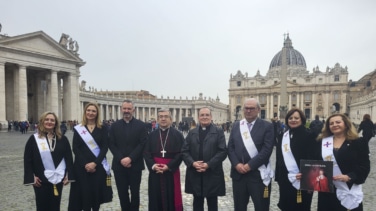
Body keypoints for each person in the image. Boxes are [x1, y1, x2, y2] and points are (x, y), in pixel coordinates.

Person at [228, 98, 274, 211]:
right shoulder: (236, 125)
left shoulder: (267, 126)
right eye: (246, 108)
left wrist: (250, 165)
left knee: (261, 207)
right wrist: (236, 164)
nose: (248, 111)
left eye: (251, 108)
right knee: (239, 207)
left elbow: (267, 150)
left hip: (257, 175)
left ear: (258, 110)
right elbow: (230, 148)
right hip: (238, 175)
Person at [316, 113, 370, 210]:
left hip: (348, 188)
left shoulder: (358, 142)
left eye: (338, 122)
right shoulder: (322, 142)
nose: (334, 125)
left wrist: (350, 176)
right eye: (331, 123)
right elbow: (316, 163)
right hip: (327, 191)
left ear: (346, 124)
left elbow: (364, 166)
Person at [23, 111, 74, 211]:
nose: (49, 122)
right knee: (41, 206)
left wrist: (69, 175)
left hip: (58, 178)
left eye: (52, 120)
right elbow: (27, 159)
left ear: (56, 123)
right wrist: (31, 177)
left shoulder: (63, 139)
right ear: (42, 121)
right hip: (40, 180)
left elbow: (69, 158)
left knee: (56, 206)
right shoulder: (34, 139)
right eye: (47, 119)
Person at [68, 102, 113, 211]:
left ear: (97, 113)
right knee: (84, 194)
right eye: (88, 110)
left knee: (96, 194)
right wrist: (85, 164)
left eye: (93, 111)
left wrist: (95, 163)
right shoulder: (79, 128)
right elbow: (75, 148)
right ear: (85, 112)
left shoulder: (103, 128)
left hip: (98, 166)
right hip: (81, 167)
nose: (91, 113)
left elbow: (104, 148)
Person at [181, 107, 227, 211]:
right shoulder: (192, 132)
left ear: (211, 117)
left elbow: (223, 151)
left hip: (212, 172)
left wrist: (208, 164)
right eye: (202, 115)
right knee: (197, 203)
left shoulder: (218, 132)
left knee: (212, 203)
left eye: (207, 115)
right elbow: (184, 151)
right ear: (198, 117)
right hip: (195, 172)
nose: (204, 117)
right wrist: (192, 163)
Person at [109, 100, 148, 210]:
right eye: (124, 108)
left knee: (135, 193)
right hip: (119, 165)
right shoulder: (114, 126)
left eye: (129, 109)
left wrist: (131, 158)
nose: (126, 111)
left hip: (135, 165)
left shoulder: (141, 125)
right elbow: (111, 144)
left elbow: (143, 143)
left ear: (133, 110)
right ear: (121, 109)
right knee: (122, 193)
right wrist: (121, 159)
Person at [275, 108, 316, 211]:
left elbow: (314, 158)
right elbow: (279, 158)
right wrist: (278, 177)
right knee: (285, 206)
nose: (293, 120)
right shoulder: (282, 136)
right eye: (290, 118)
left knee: (302, 207)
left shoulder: (310, 135)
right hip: (285, 179)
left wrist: (309, 179)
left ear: (302, 119)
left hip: (302, 179)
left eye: (296, 118)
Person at [143, 108, 185, 211]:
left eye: (166, 117)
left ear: (170, 119)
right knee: (155, 197)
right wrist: (153, 165)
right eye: (161, 117)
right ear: (157, 119)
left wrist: (169, 166)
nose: (163, 119)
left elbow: (181, 153)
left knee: (171, 196)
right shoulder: (151, 135)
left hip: (171, 171)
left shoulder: (178, 135)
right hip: (155, 171)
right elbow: (146, 152)